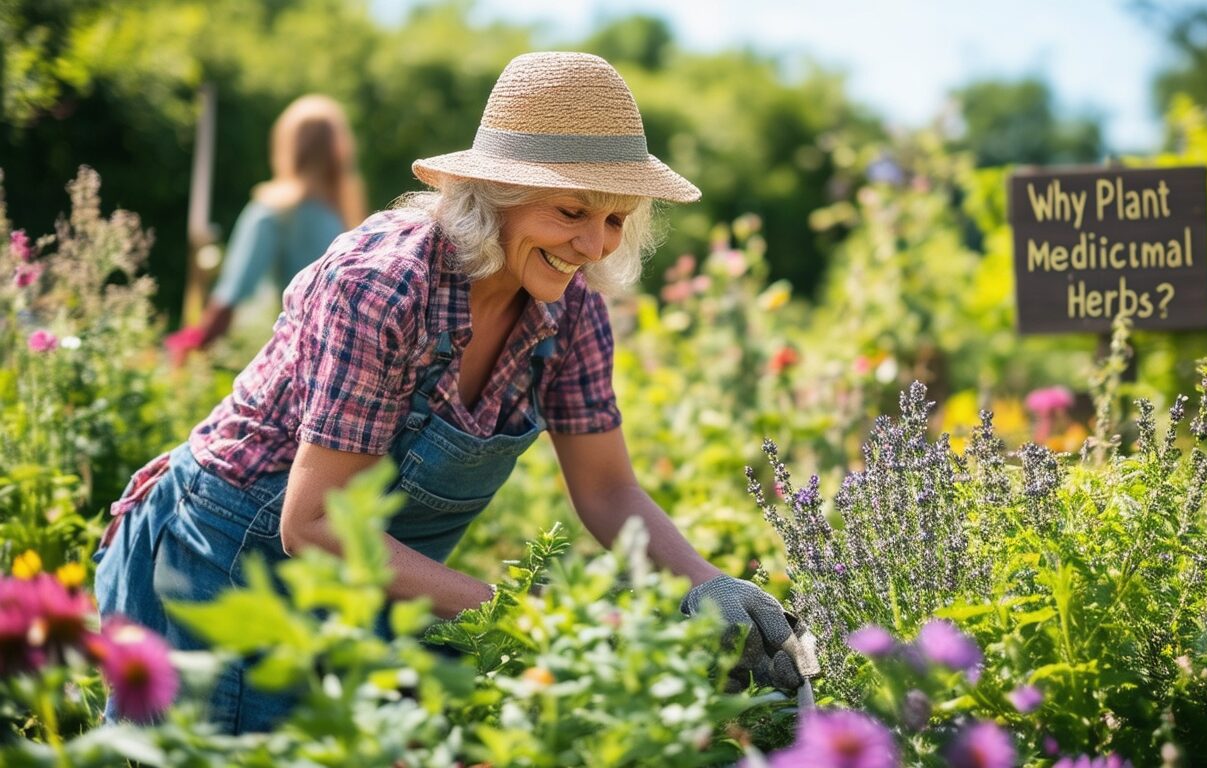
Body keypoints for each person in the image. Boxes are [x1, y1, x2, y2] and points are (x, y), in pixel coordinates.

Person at [95, 52, 813, 733]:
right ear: (495, 194)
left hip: (370, 579)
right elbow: (313, 523)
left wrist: (707, 583)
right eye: (571, 212)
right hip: (219, 555)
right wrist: (538, 619)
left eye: (615, 220)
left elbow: (608, 492)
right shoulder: (385, 286)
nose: (594, 246)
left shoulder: (572, 309)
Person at [166, 94, 366, 361]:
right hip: (347, 359)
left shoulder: (273, 212)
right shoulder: (346, 219)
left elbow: (232, 295)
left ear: (289, 147)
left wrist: (189, 346)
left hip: (295, 359)